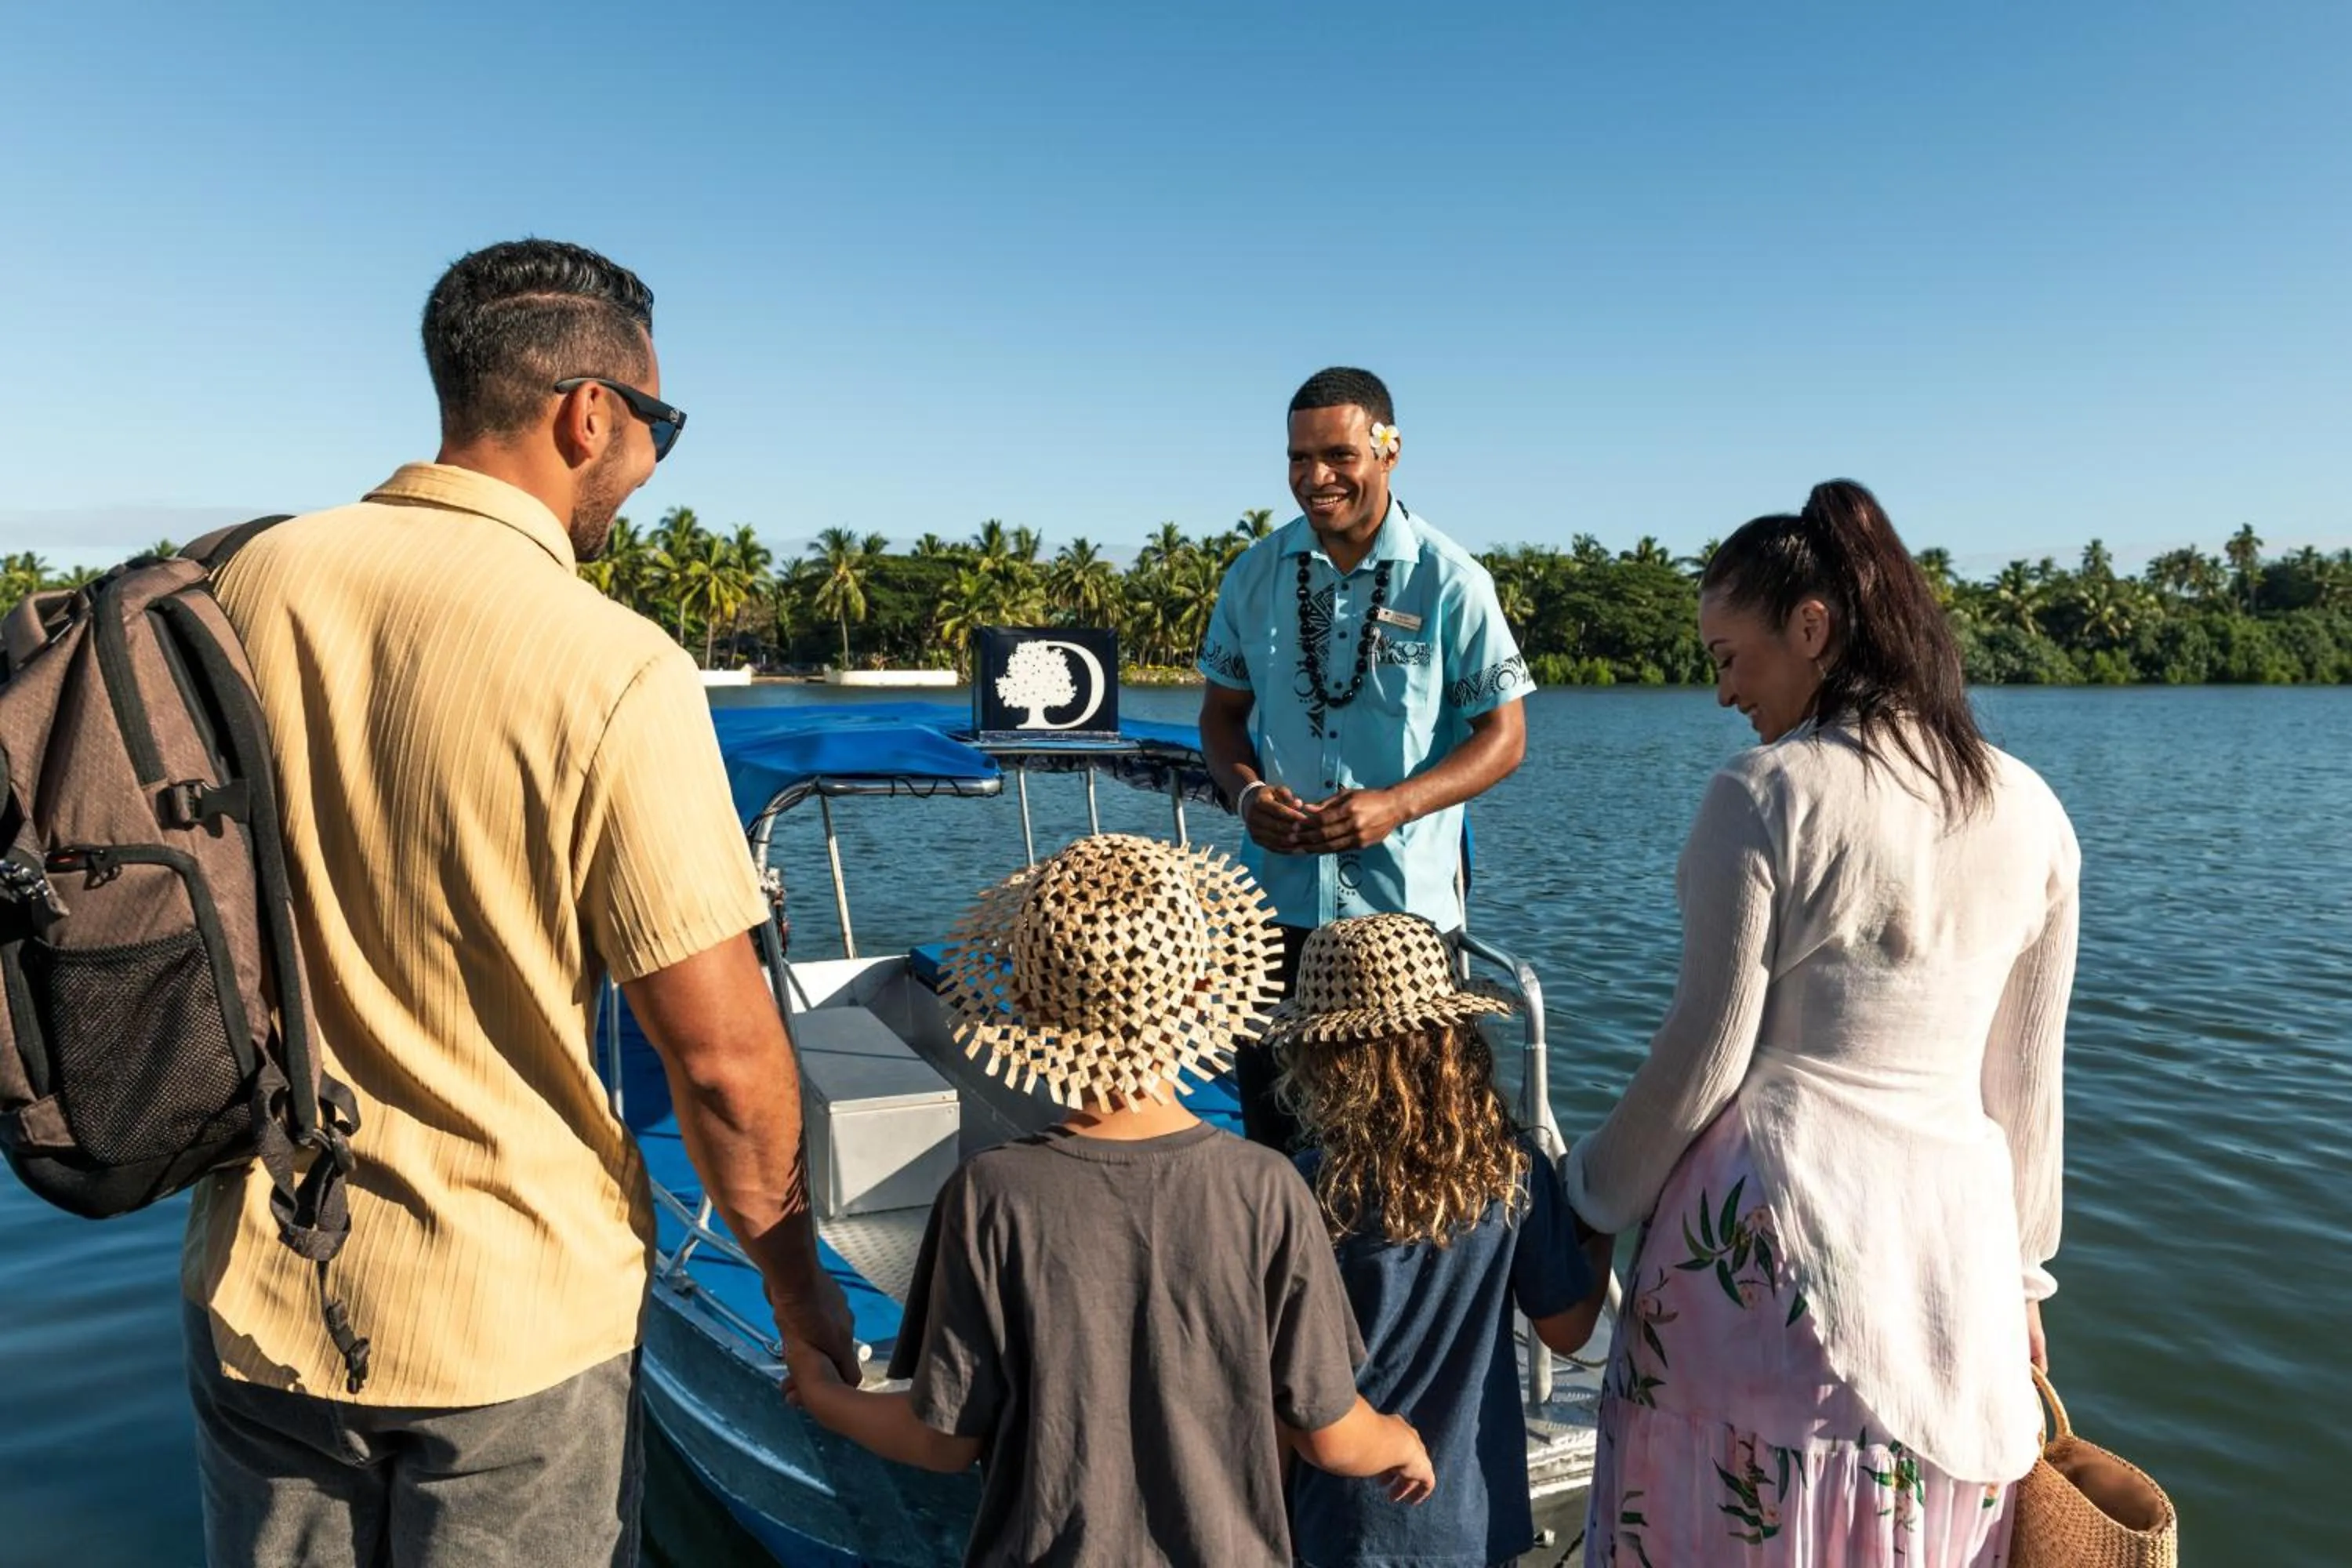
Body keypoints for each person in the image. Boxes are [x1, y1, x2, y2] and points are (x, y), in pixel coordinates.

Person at [180, 239, 856, 1568]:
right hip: (512, 1329)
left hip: (256, 1292)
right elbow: (719, 1059)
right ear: (589, 413)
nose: (652, 463)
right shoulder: (611, 665)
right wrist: (794, 1287)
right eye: (661, 425)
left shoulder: (240, 587)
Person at [1568, 481, 2078, 1564]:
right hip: (1958, 1262)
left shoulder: (1764, 795)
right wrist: (2023, 1280)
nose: (1720, 693)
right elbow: (2026, 1088)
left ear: (1811, 628)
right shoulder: (2030, 808)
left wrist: (1588, 1194)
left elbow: (1704, 1062)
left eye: (1726, 656)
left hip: (1770, 1260)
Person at [782, 833, 1436, 1568]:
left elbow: (943, 1440)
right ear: (1203, 990)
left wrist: (824, 1393)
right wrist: (1399, 1442)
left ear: (1024, 1001)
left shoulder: (990, 1193)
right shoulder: (1269, 1189)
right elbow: (1330, 1433)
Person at [1198, 366, 1534, 1152]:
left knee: (1411, 1146)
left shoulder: (1451, 581)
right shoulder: (1253, 576)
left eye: (1338, 454)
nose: (1316, 478)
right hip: (1271, 920)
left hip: (1406, 927)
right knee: (1278, 1142)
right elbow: (1220, 717)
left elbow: (1505, 737)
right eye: (1298, 458)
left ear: (1389, 450)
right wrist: (1249, 798)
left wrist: (1398, 804)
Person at [1272, 913, 1612, 1568]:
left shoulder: (1302, 1191)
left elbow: (1289, 1392)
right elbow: (1568, 1332)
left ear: (1318, 1059)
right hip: (1473, 1520)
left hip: (1343, 1526)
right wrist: (1602, 1231)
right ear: (1456, 1041)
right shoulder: (1513, 1173)